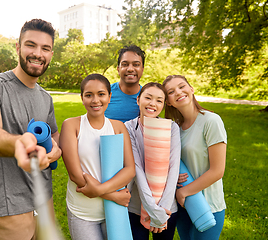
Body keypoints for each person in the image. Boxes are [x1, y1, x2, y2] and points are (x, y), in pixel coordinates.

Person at [0, 19, 62, 240]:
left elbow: (53, 134)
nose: (38, 53)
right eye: (31, 45)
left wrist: (57, 150)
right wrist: (18, 143)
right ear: (18, 47)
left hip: (45, 198)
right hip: (12, 203)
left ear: (51, 54)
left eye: (45, 48)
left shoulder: (45, 97)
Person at [59, 73, 136, 240]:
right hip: (83, 212)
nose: (95, 100)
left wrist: (100, 190)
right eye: (89, 95)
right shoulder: (71, 125)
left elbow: (130, 169)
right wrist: (113, 195)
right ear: (82, 98)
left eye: (101, 94)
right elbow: (75, 175)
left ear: (109, 96)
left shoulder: (118, 127)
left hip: (114, 211)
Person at [162, 75, 227, 240]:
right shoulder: (175, 128)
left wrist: (183, 191)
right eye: (171, 91)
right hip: (183, 205)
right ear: (168, 101)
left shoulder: (211, 121)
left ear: (191, 89)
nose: (178, 92)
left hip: (208, 205)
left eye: (182, 86)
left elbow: (217, 171)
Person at [124, 82, 181, 240]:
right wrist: (152, 210)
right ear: (138, 99)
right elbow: (137, 169)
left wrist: (162, 210)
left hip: (167, 207)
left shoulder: (172, 128)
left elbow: (173, 168)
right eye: (148, 98)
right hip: (136, 206)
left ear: (163, 104)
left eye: (159, 100)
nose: (152, 104)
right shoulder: (128, 127)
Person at [104, 45, 145, 123]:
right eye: (125, 64)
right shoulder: (104, 93)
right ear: (118, 69)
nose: (130, 69)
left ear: (142, 69)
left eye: (136, 65)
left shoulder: (148, 98)